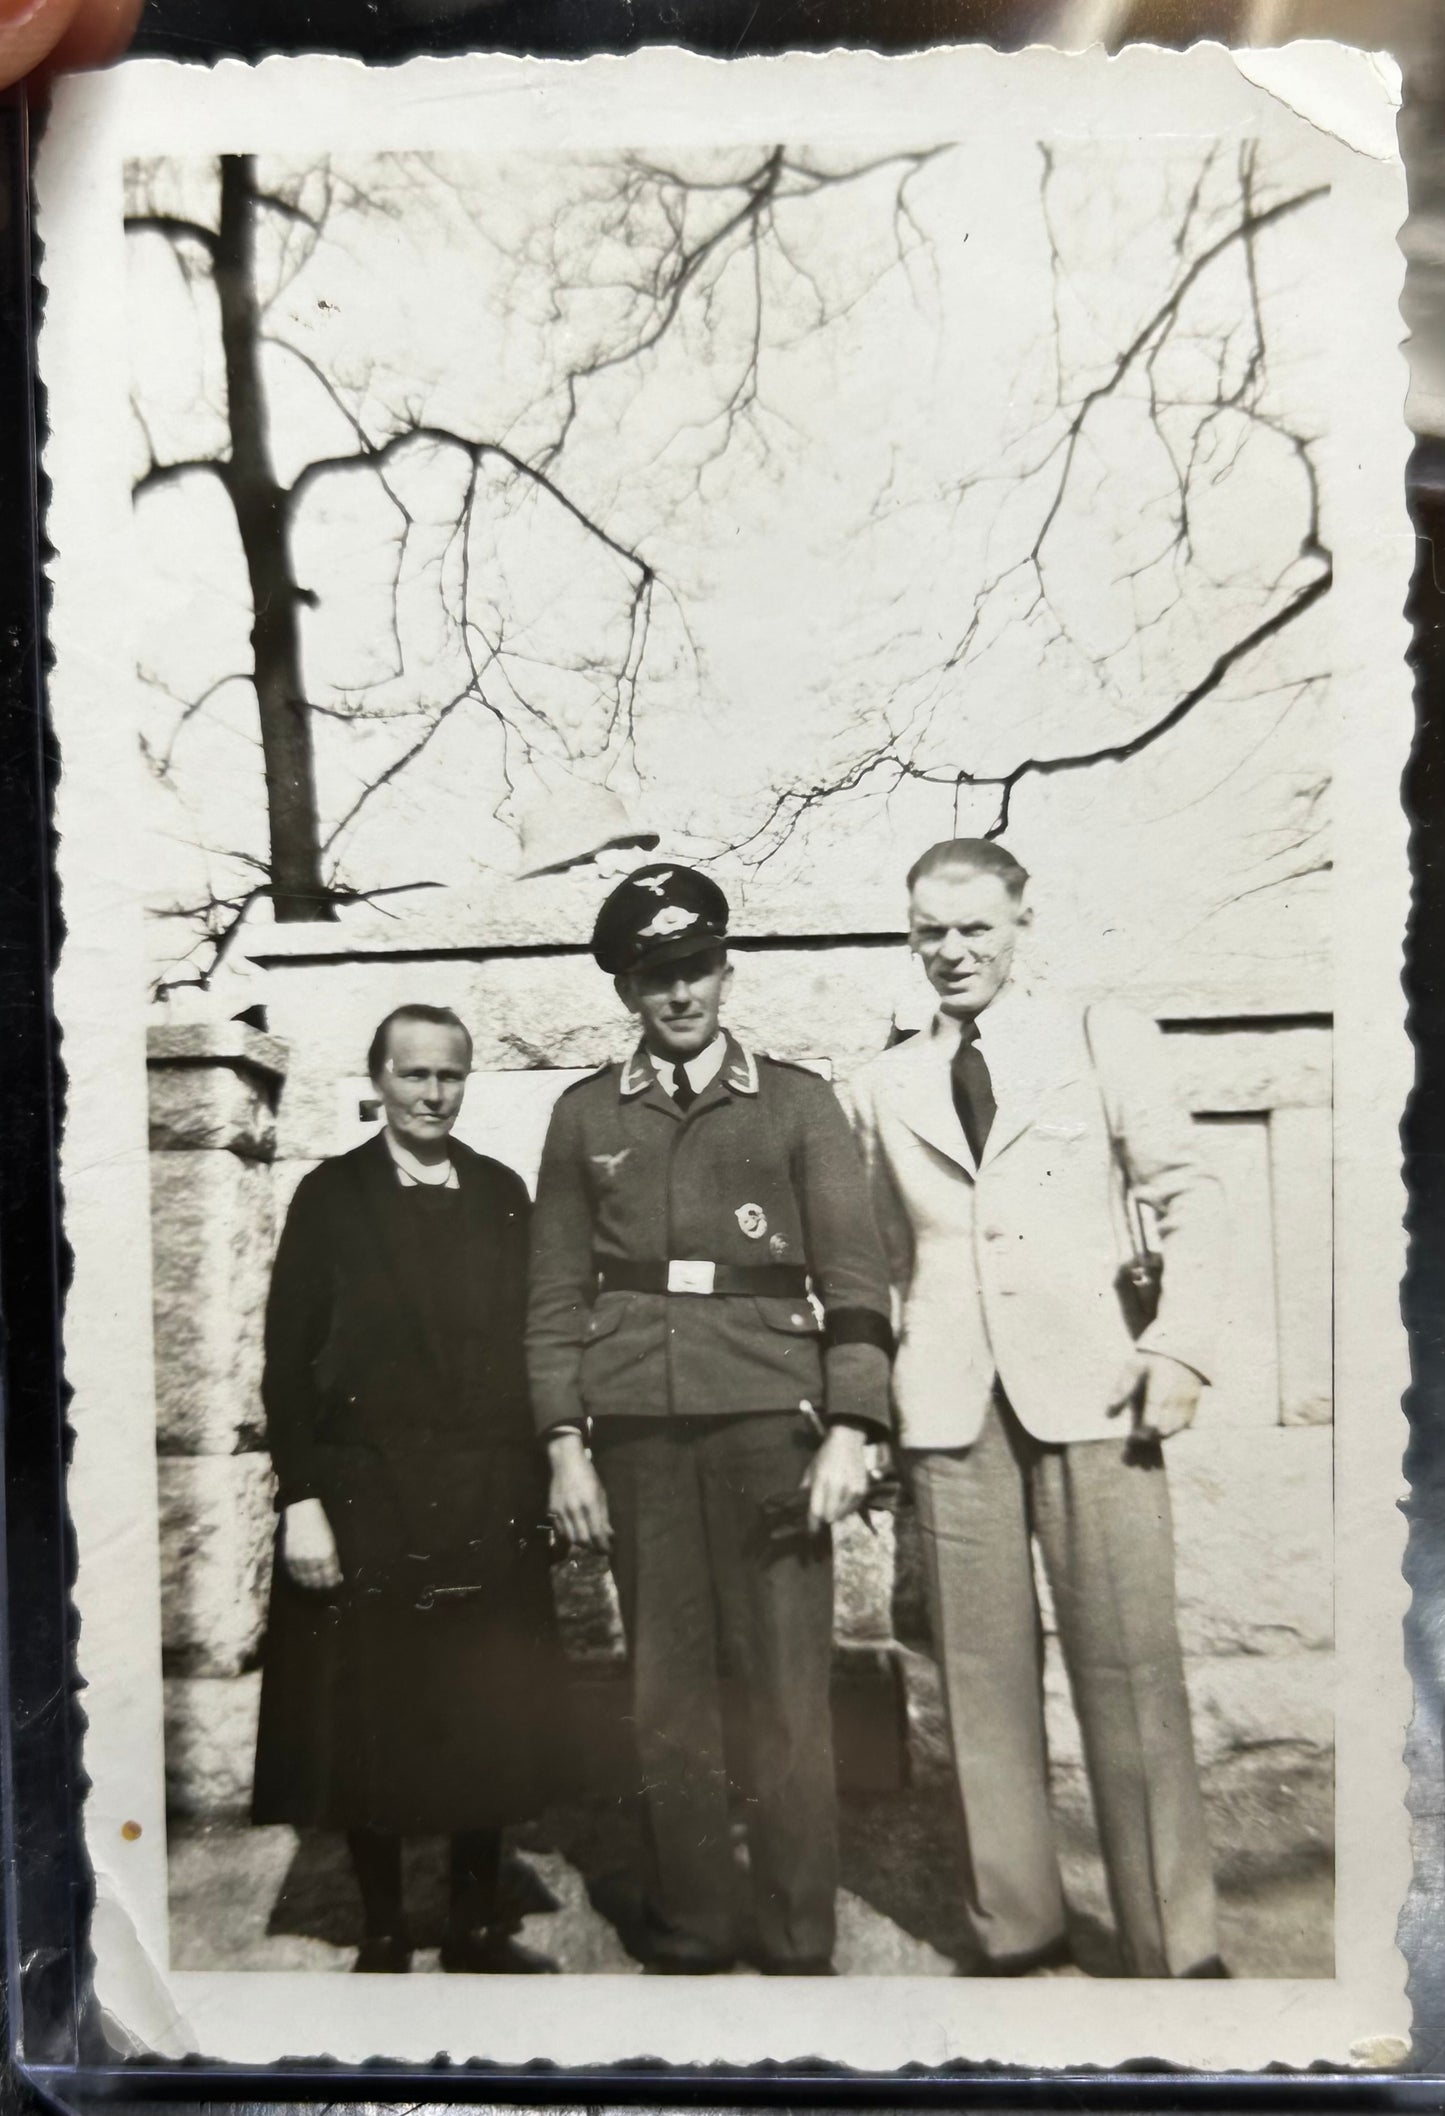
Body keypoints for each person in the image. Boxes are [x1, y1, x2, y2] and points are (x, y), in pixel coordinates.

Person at [844, 839, 1226, 1979]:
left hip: (1096, 1394)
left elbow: (1186, 1192)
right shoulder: (883, 1082)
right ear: (908, 933)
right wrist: (866, 1407)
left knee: (1130, 1672)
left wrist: (1179, 1347)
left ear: (1020, 921)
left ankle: (1174, 1944)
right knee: (976, 1673)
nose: (950, 952)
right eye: (928, 931)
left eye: (973, 929)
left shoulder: (1098, 1038)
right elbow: (873, 1257)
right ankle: (1016, 1927)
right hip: (950, 1407)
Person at [526, 864, 894, 1975]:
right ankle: (694, 1917)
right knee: (667, 1690)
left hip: (768, 1425)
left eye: (694, 968)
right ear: (626, 990)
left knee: (784, 1685)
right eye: (653, 975)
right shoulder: (584, 1112)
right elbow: (550, 1297)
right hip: (637, 1423)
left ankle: (794, 1929)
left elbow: (857, 1277)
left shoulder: (795, 1101)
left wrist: (850, 1425)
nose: (678, 993)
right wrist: (562, 1444)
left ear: (725, 969)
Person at [252, 1004, 567, 1974]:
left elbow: (534, 1339)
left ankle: (475, 1923)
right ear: (377, 1079)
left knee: (483, 1711)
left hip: (484, 1489)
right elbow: (284, 1360)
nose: (433, 1093)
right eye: (414, 1074)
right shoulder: (329, 1197)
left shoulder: (502, 1195)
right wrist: (298, 1497)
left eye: (449, 1076)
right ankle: (383, 1926)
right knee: (370, 1717)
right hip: (364, 1495)